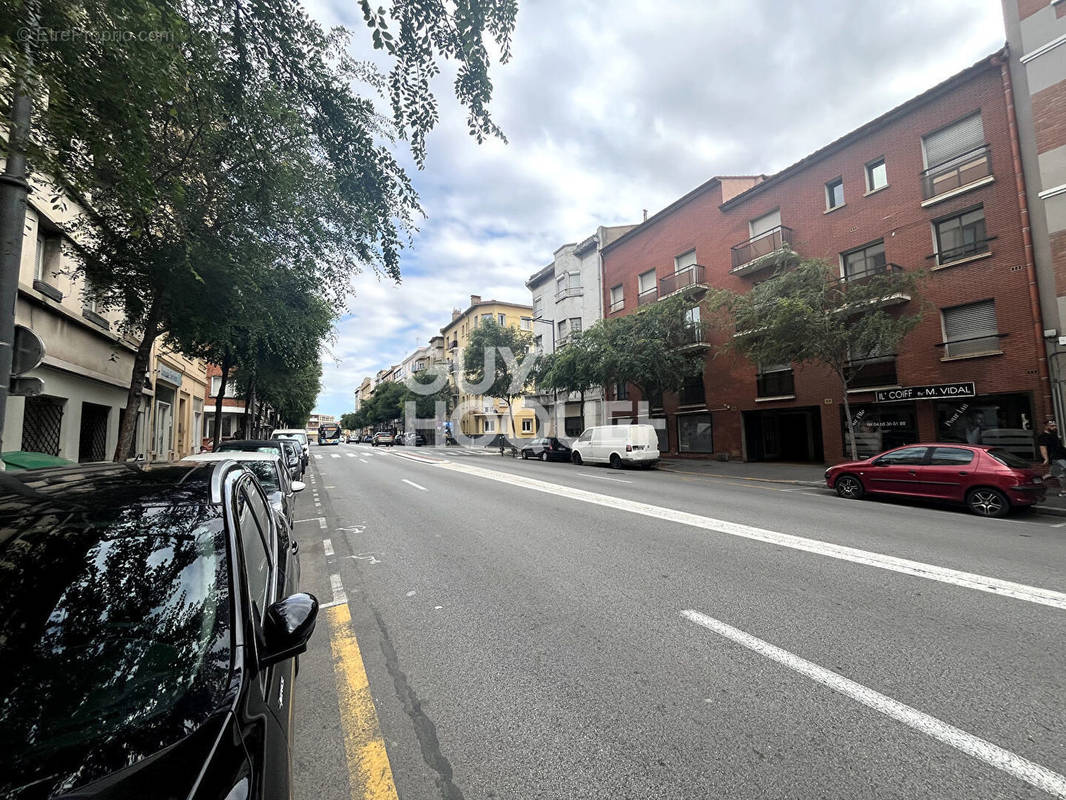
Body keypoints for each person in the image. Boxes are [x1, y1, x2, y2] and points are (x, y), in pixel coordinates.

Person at [1038, 420, 1066, 495]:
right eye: (1052, 426)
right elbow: (1043, 448)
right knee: (1061, 475)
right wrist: (1046, 458)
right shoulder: (1043, 436)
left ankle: (1038, 481)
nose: (1054, 427)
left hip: (1062, 456)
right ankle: (1064, 491)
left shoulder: (1054, 435)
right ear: (1046, 426)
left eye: (1055, 426)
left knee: (1053, 473)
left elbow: (1059, 447)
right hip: (1055, 458)